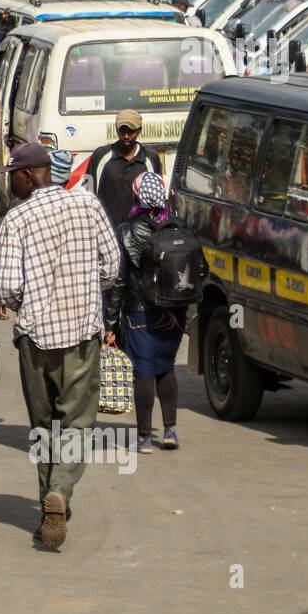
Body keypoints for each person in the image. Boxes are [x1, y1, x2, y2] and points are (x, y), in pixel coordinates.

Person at [0, 143, 120, 551]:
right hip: (82, 334)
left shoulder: (17, 218)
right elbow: (112, 265)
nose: (11, 180)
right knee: (77, 423)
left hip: (36, 340)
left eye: (14, 173)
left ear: (30, 175)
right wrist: (86, 292)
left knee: (44, 427)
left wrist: (19, 304)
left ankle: (50, 502)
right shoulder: (88, 205)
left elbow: (8, 284)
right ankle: (60, 494)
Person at [104, 172, 205, 454]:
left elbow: (119, 281)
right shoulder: (180, 229)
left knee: (144, 371)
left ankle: (145, 437)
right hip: (174, 312)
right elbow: (201, 271)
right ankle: (170, 430)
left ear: (137, 197)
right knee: (166, 367)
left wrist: (110, 322)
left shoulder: (125, 231)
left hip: (140, 314)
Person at [89, 109, 163, 228]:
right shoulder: (100, 156)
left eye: (131, 131)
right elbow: (88, 194)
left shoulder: (151, 159)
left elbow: (157, 202)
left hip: (140, 234)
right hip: (107, 232)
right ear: (116, 129)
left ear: (139, 130)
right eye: (122, 131)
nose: (126, 136)